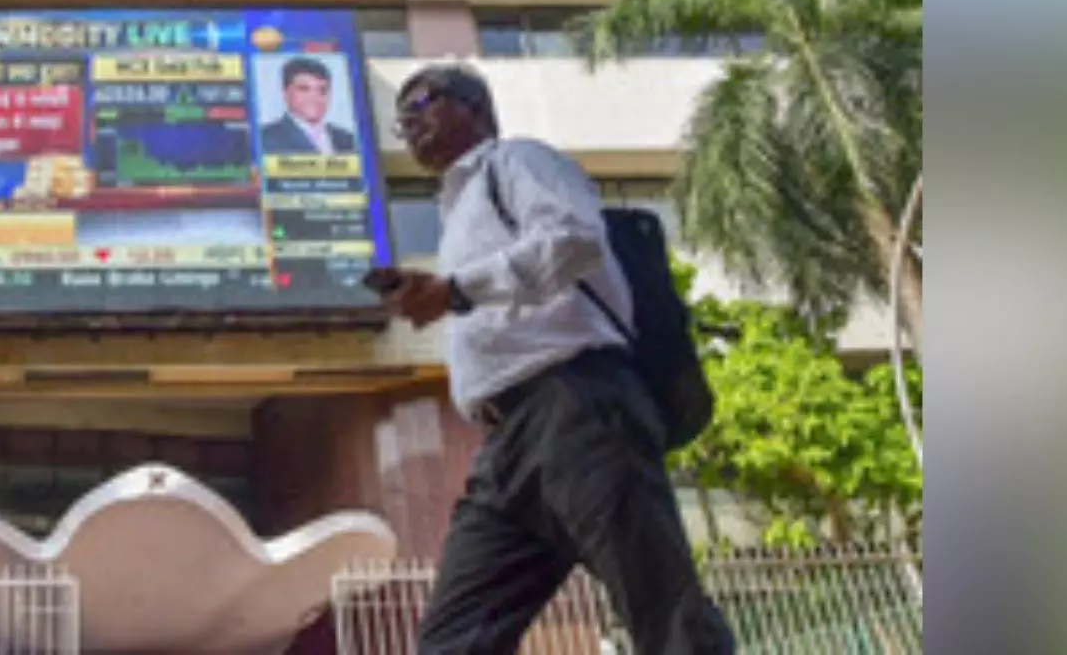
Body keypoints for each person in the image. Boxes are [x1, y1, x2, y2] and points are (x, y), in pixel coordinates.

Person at [368, 64, 735, 655]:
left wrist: (455, 291)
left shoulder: (516, 161)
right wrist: (445, 290)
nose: (408, 122)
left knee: (663, 613)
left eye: (422, 102)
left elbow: (574, 240)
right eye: (401, 115)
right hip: (505, 444)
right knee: (451, 641)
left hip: (576, 405)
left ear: (475, 108)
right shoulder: (455, 213)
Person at [259, 57, 357, 155]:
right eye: (304, 89)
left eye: (322, 90)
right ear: (286, 93)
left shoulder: (348, 140)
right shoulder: (264, 139)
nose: (315, 97)